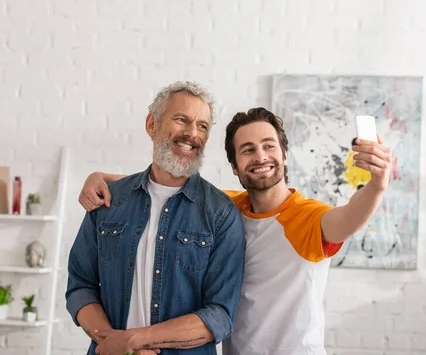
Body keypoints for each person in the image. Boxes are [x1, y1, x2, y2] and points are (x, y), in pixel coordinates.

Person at [79, 107, 394, 355]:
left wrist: (378, 185)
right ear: (235, 165)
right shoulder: (225, 209)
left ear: (284, 155)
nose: (260, 156)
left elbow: (349, 218)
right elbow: (162, 187)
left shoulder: (310, 218)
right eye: (247, 149)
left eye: (268, 146)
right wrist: (100, 177)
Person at [66, 81, 245, 355]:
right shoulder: (109, 201)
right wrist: (113, 345)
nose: (192, 133)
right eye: (181, 119)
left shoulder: (220, 214)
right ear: (152, 125)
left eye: (202, 126)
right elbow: (81, 286)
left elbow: (219, 315)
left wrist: (134, 342)